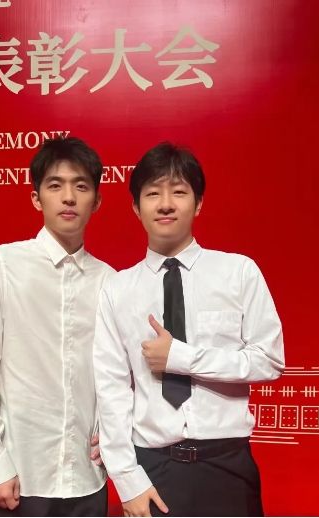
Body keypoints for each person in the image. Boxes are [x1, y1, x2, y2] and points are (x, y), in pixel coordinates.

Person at [93, 142, 285, 517]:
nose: (166, 204)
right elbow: (111, 388)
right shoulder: (117, 289)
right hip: (153, 468)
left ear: (198, 204)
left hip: (227, 463)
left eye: (179, 192)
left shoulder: (238, 272)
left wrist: (181, 357)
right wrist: (127, 479)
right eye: (153, 193)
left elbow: (269, 360)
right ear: (136, 207)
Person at [0, 136, 114, 517]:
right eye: (55, 185)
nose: (68, 198)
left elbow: (114, 374)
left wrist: (113, 435)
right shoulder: (1, 265)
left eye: (81, 187)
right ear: (36, 198)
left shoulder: (110, 281)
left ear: (97, 201)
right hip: (18, 476)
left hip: (88, 477)